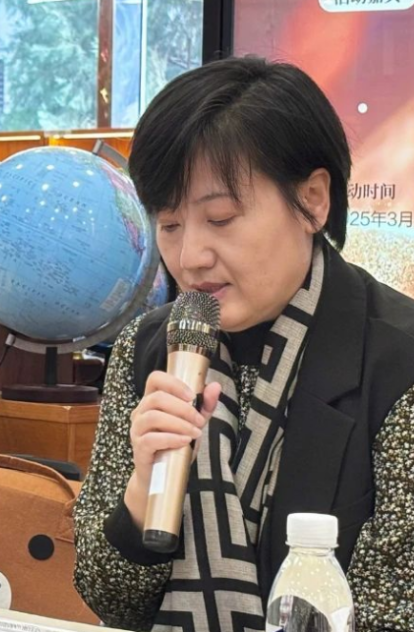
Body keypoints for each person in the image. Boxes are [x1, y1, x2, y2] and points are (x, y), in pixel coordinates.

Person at [73, 56, 414, 632]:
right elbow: (109, 601)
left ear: (313, 200)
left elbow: (396, 611)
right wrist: (142, 493)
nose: (190, 257)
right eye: (170, 224)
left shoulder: (398, 364)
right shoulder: (150, 346)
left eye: (222, 218)